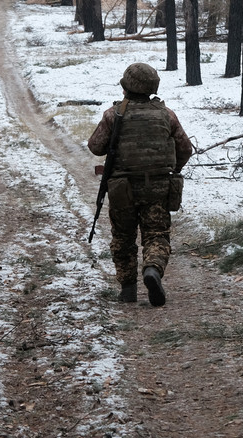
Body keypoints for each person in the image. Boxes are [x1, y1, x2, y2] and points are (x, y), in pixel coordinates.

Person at [87, 62, 192, 307]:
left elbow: (95, 146)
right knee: (156, 234)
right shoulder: (167, 115)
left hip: (123, 188)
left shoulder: (114, 115)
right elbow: (185, 148)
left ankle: (128, 289)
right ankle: (152, 269)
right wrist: (173, 169)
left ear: (126, 87)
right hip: (158, 188)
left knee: (123, 237)